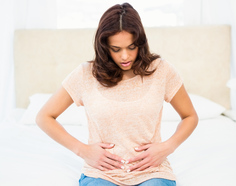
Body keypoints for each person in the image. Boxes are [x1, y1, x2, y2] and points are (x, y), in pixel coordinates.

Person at [36, 2, 198, 186]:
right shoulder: (86, 74)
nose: (125, 57)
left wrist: (168, 147)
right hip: (102, 173)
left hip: (152, 172)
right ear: (104, 46)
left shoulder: (161, 70)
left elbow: (190, 116)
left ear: (141, 43)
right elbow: (44, 117)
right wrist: (82, 150)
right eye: (116, 49)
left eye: (131, 47)